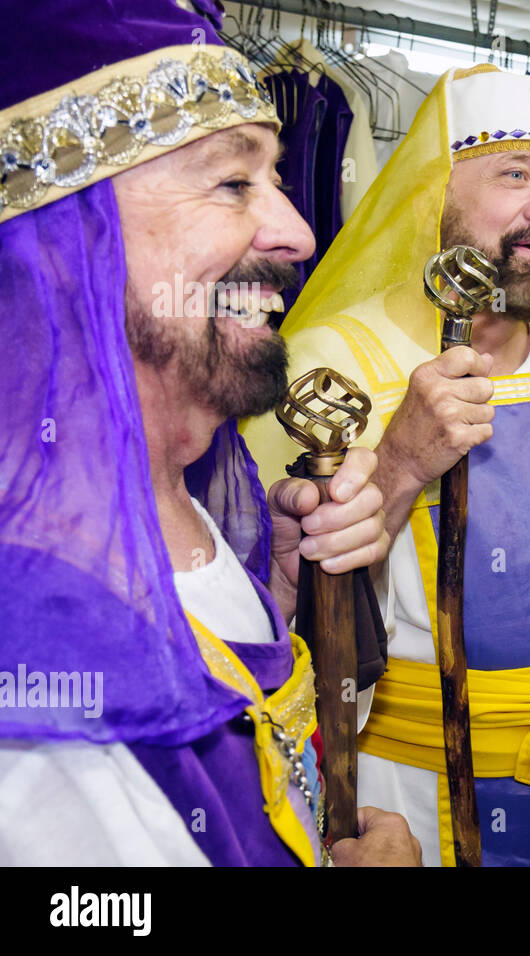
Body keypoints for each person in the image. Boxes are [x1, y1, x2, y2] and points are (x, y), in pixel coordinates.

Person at [0, 0, 418, 866]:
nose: (300, 234)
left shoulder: (186, 495)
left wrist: (283, 596)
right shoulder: (37, 684)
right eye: (233, 183)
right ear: (67, 236)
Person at [243, 64, 530, 866]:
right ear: (432, 195)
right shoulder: (328, 362)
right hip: (409, 782)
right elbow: (268, 617)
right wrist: (397, 463)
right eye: (515, 174)